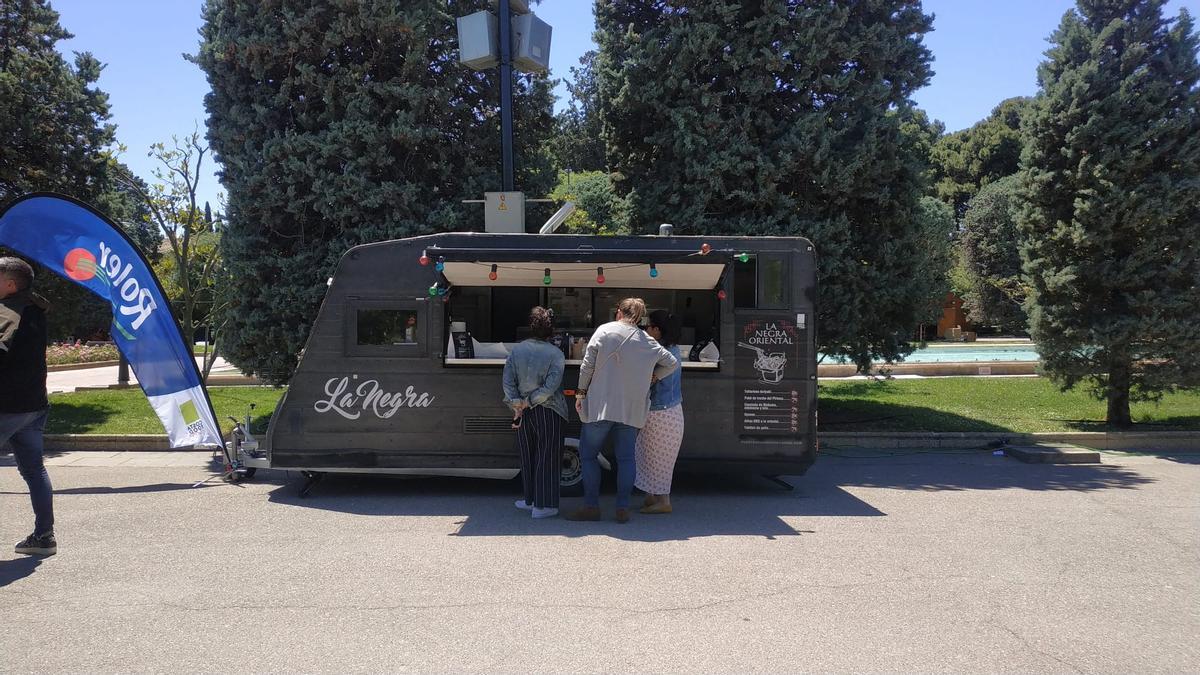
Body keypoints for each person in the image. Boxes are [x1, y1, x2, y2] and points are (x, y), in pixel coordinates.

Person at [567, 298, 679, 523]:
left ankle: (591, 507)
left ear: (619, 312)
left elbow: (587, 366)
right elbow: (672, 362)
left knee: (588, 455)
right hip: (631, 409)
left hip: (600, 406)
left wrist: (580, 394)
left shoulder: (604, 331)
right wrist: (654, 376)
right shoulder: (646, 340)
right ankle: (622, 508)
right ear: (639, 318)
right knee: (626, 459)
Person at [0, 257, 55, 556]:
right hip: (33, 406)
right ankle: (44, 537)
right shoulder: (35, 309)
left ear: (10, 284)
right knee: (34, 471)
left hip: (6, 406)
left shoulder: (7, 310)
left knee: (34, 471)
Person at [502, 306, 568, 519]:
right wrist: (530, 401)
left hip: (522, 410)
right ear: (551, 330)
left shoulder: (517, 350)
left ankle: (530, 500)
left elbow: (508, 380)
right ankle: (544, 505)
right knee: (547, 457)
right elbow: (550, 388)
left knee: (528, 456)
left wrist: (517, 403)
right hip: (549, 410)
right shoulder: (556, 353)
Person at [635, 310, 685, 514]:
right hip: (668, 411)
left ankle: (663, 501)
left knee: (657, 457)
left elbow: (648, 379)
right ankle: (652, 497)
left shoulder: (662, 354)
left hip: (661, 413)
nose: (646, 329)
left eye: (649, 326)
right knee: (647, 454)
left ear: (657, 329)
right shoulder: (672, 349)